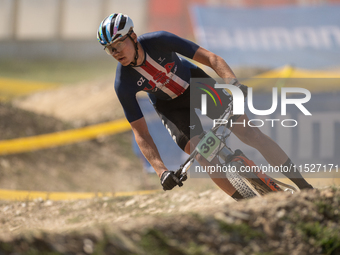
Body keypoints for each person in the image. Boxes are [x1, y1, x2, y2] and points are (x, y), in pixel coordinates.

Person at [97, 13, 313, 200]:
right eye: (109, 50)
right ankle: (247, 202)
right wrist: (161, 171)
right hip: (171, 108)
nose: (115, 52)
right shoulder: (123, 83)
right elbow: (141, 133)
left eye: (118, 44)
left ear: (133, 36)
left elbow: (211, 58)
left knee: (249, 132)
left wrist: (232, 83)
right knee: (203, 155)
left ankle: (305, 188)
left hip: (198, 86)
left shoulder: (159, 40)